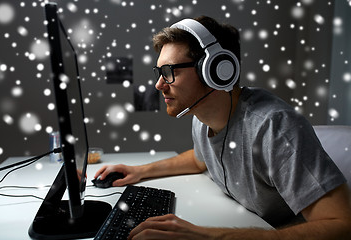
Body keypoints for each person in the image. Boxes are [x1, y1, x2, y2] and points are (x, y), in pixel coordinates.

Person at [95, 16, 351, 239]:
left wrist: (210, 236)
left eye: (169, 71)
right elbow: (199, 160)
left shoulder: (273, 128)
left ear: (216, 70)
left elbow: (341, 226)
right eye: (159, 72)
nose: (159, 85)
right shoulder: (201, 117)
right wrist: (139, 172)